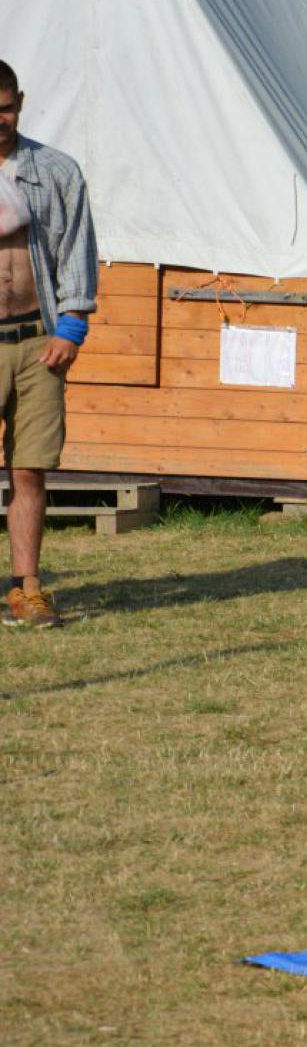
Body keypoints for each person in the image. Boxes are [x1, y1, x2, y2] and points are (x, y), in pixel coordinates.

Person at [0, 60, 97, 627]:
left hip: (37, 340)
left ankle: (27, 590)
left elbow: (77, 252)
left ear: (20, 102)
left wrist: (71, 328)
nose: (0, 120)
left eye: (6, 108)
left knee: (30, 468)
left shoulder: (56, 171)